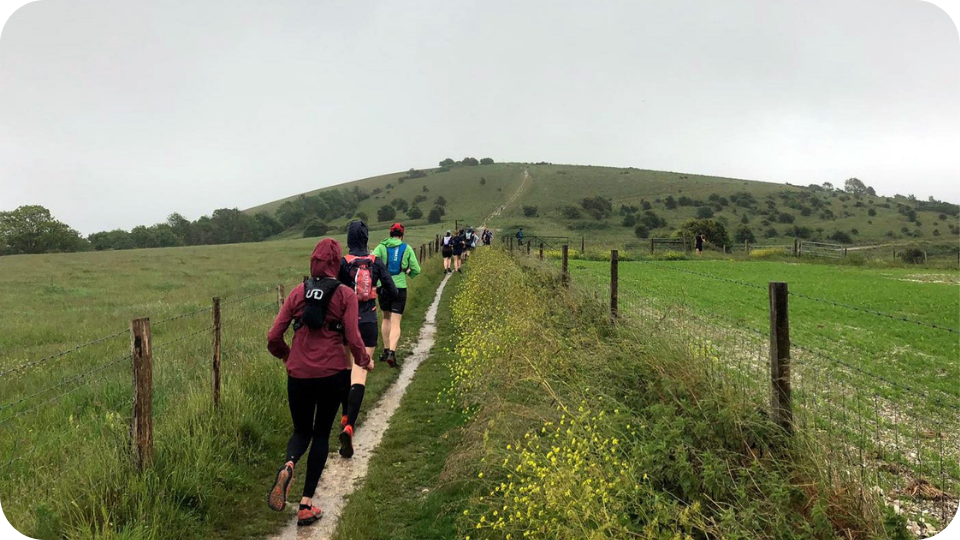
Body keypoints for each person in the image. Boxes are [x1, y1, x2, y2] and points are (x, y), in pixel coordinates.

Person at [266, 238, 373, 527]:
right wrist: (365, 361)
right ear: (336, 263)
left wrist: (289, 358)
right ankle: (305, 505)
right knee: (322, 435)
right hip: (332, 374)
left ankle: (289, 464)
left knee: (301, 431)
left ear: (313, 261)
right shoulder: (345, 295)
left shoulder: (297, 292)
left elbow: (273, 336)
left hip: (298, 374)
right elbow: (353, 338)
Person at [337, 220, 398, 458]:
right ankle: (350, 425)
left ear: (349, 240)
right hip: (369, 322)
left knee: (345, 368)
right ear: (366, 239)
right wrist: (376, 292)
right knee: (360, 373)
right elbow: (392, 290)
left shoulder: (343, 263)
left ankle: (344, 414)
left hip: (345, 322)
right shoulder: (375, 262)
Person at [372, 223, 421, 367]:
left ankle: (386, 350)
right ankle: (392, 353)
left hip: (384, 288)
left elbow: (371, 263)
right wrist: (408, 273)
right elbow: (416, 269)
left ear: (390, 233)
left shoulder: (381, 247)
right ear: (402, 234)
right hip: (399, 288)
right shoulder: (407, 248)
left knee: (386, 318)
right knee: (396, 322)